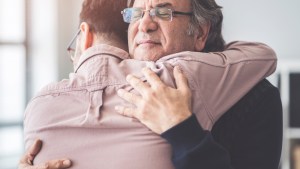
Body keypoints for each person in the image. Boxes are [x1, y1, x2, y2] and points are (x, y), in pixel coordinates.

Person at [19, 0, 281, 169]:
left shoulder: (254, 96)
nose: (144, 24)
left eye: (163, 12)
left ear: (200, 33)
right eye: (136, 13)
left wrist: (181, 129)